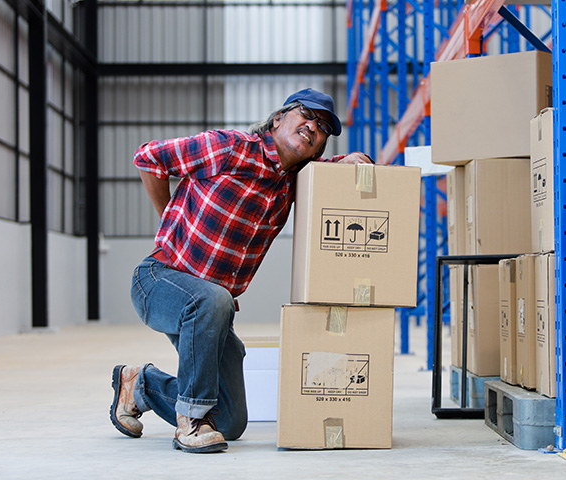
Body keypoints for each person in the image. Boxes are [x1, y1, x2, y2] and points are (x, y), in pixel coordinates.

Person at [109, 88, 373, 454]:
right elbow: (148, 157)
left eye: (323, 128)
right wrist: (168, 219)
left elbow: (332, 172)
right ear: (278, 118)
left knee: (230, 422)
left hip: (210, 307)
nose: (313, 127)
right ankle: (190, 422)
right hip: (159, 279)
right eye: (306, 116)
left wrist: (351, 162)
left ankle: (140, 385)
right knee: (214, 299)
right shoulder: (230, 147)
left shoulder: (293, 181)